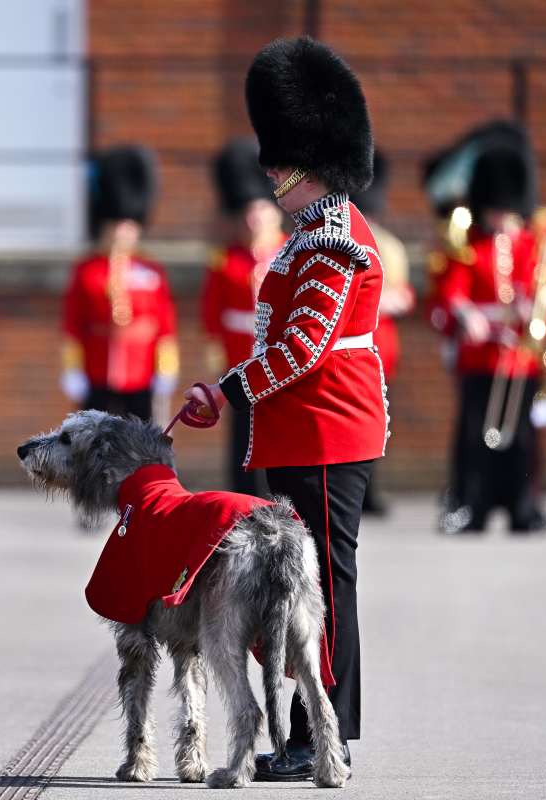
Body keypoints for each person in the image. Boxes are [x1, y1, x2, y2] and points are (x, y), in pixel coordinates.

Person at [184, 36, 386, 780]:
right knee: (301, 589)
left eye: (281, 162)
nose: (270, 174)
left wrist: (226, 391)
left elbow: (302, 348)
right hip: (306, 430)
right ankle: (308, 733)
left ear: (312, 161)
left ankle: (322, 737)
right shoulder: (312, 234)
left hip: (327, 429)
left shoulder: (334, 243)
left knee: (320, 589)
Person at [428, 140, 546, 534]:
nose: (499, 218)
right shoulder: (469, 247)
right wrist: (467, 314)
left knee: (524, 439)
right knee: (472, 436)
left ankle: (524, 506)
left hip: (523, 357)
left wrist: (545, 304)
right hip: (480, 356)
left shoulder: (537, 246)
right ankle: (470, 506)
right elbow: (450, 291)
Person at [61, 145, 178, 425]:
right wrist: (72, 368)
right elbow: (73, 324)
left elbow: (164, 325)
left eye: (128, 226)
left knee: (139, 439)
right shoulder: (87, 269)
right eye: (115, 226)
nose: (121, 234)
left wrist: (165, 369)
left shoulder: (151, 270)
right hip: (97, 369)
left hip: (141, 371)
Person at [199, 138, 284, 496]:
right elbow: (212, 312)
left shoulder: (289, 253)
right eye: (248, 212)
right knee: (242, 431)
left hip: (279, 357)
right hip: (239, 356)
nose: (253, 220)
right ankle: (243, 494)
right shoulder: (226, 260)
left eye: (260, 211)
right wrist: (218, 352)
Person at [350, 149, 414, 515]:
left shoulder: (389, 245)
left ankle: (369, 491)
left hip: (380, 344)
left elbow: (403, 296)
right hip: (354, 344)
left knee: (376, 424)